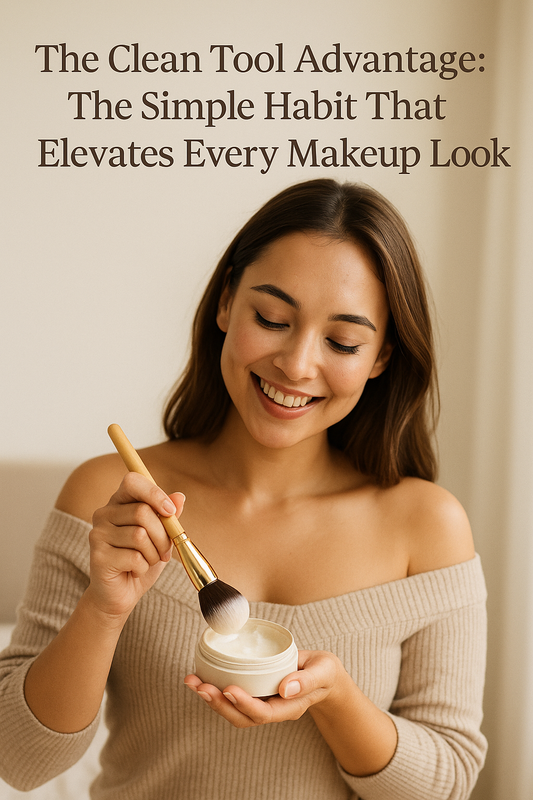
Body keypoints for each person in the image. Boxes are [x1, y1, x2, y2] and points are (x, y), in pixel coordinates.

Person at [0, 179, 487, 800]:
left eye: (341, 341)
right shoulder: (111, 493)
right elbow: (19, 759)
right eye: (273, 318)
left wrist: (333, 699)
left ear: (382, 356)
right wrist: (104, 607)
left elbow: (446, 786)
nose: (297, 363)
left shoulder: (426, 524)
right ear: (227, 303)